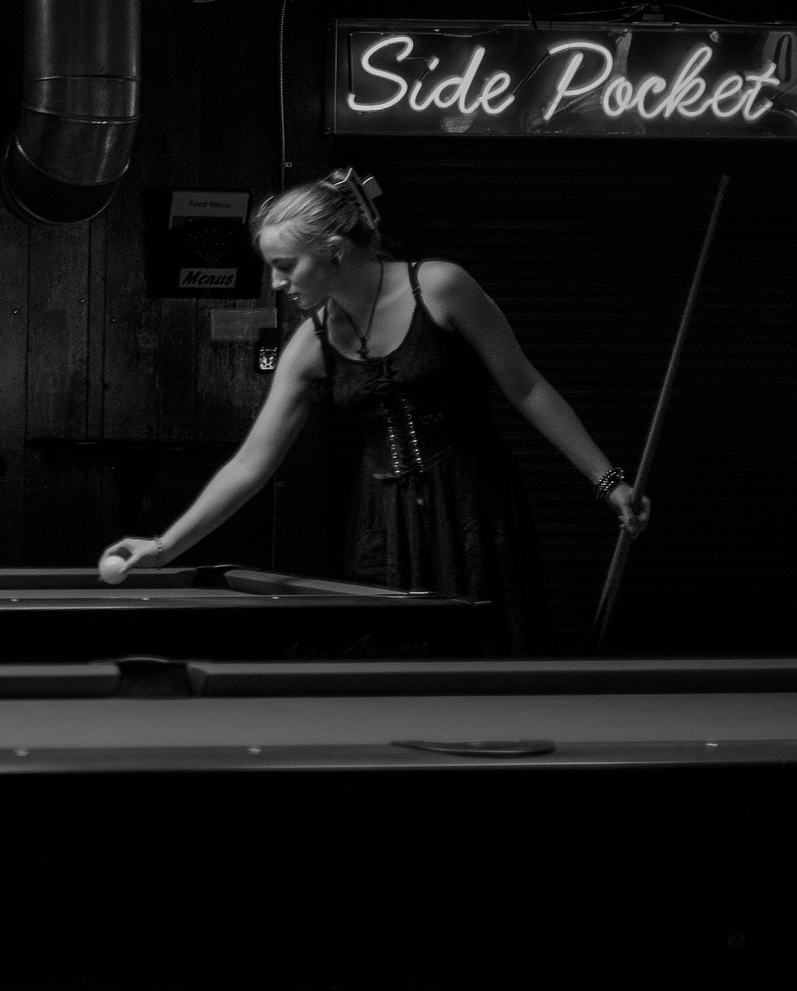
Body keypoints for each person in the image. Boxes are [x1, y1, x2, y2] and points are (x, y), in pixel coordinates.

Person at [99, 169, 650, 653]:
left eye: (286, 265)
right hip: (382, 526)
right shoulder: (311, 345)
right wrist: (165, 545)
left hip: (474, 509)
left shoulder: (440, 287)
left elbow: (526, 387)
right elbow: (251, 465)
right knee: (392, 657)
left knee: (488, 654)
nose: (275, 282)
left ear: (336, 249)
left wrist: (607, 481)